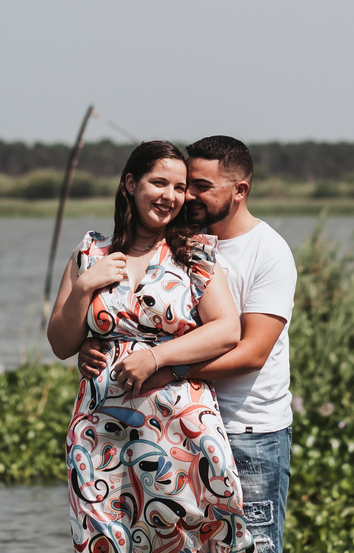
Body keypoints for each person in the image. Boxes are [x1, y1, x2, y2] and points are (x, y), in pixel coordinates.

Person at [79, 136, 298, 553]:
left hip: (248, 430)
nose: (186, 196)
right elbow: (140, 318)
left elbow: (250, 352)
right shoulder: (183, 241)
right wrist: (99, 350)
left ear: (240, 191)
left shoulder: (268, 252)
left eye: (200, 186)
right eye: (184, 184)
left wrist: (165, 368)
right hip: (178, 430)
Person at [47, 140, 255, 552]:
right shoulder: (90, 252)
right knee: (104, 536)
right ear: (130, 183)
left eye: (179, 188)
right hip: (99, 433)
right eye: (159, 183)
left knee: (189, 538)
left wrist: (157, 356)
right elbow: (60, 343)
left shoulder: (194, 254)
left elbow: (227, 329)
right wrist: (85, 288)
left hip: (180, 429)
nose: (170, 197)